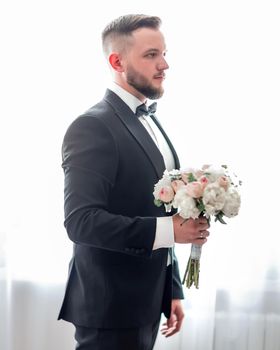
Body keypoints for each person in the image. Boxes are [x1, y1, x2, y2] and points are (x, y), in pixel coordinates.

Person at [58, 14, 210, 350]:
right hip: (109, 309)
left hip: (147, 302)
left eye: (165, 53)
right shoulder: (91, 127)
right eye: (151, 55)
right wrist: (172, 230)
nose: (165, 64)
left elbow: (157, 206)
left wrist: (171, 290)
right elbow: (81, 222)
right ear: (116, 61)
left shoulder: (151, 120)